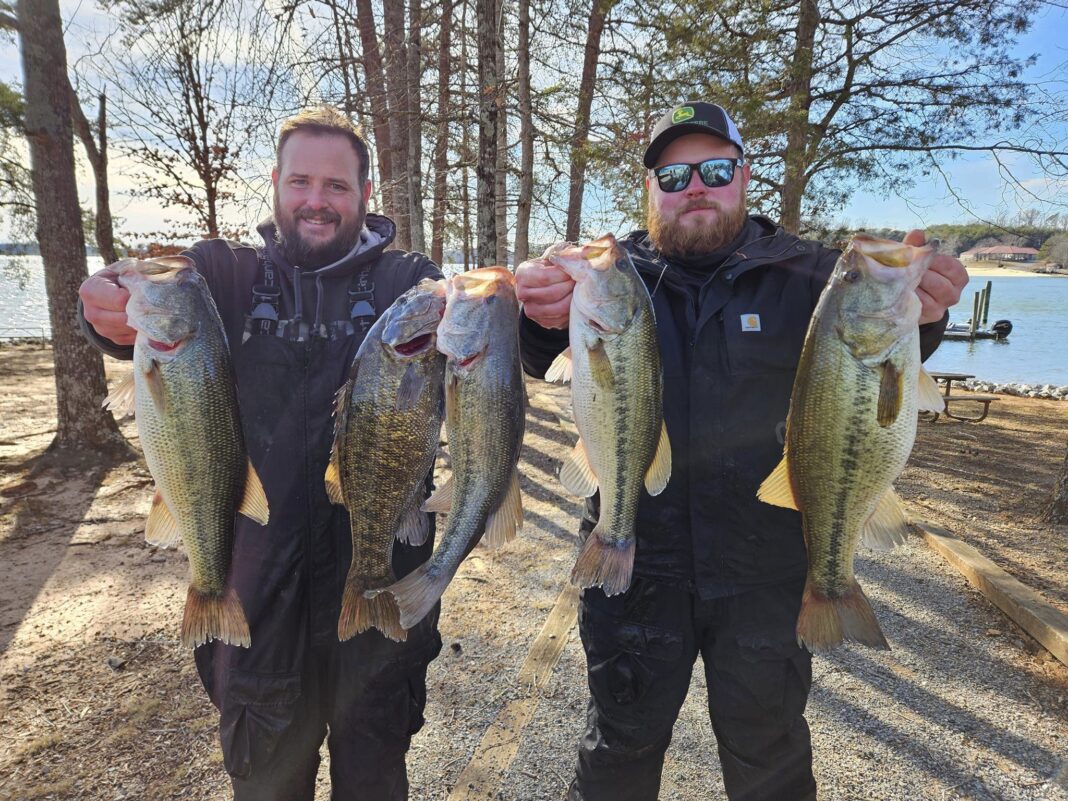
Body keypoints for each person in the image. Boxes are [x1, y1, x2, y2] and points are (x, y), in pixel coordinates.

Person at [516, 101, 968, 801]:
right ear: (650, 191)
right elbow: (552, 345)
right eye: (673, 176)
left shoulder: (812, 275)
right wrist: (539, 313)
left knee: (771, 764)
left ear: (743, 177)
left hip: (766, 578)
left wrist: (928, 313)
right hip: (639, 579)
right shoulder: (618, 276)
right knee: (616, 753)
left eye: (715, 169)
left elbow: (871, 360)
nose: (694, 186)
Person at [79, 107, 442, 801]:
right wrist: (104, 308)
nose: (316, 199)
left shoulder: (405, 282)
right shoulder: (223, 274)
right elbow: (144, 313)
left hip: (373, 594)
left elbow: (454, 340)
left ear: (365, 195)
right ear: (275, 184)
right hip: (256, 607)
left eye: (336, 186)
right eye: (300, 180)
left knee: (374, 782)